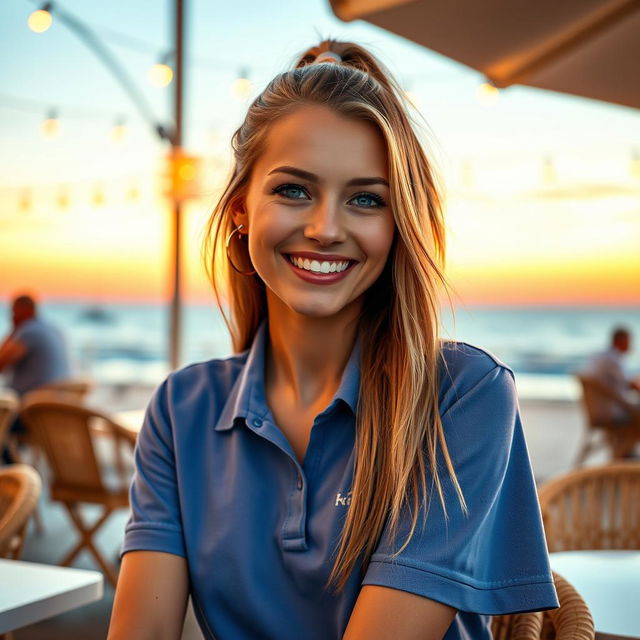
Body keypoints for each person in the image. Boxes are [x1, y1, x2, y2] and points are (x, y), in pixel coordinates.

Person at [108, 41, 558, 640]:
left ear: (399, 226)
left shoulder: (463, 396)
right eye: (293, 189)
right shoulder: (179, 410)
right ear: (241, 209)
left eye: (367, 200)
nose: (324, 229)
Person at [0, 293, 72, 397]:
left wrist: (14, 330)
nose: (12, 315)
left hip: (34, 403)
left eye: (13, 311)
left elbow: (2, 363)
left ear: (22, 310)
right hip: (59, 397)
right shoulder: (53, 328)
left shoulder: (29, 331)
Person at [581, 326, 640, 424]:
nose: (630, 345)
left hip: (597, 408)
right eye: (628, 341)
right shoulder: (614, 360)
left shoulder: (598, 355)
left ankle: (625, 439)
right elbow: (630, 384)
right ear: (620, 341)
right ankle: (626, 438)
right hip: (612, 410)